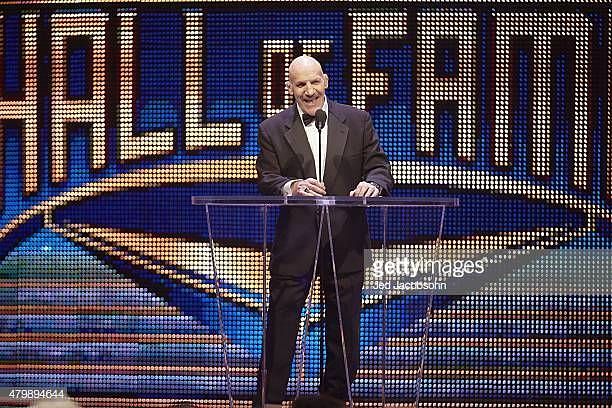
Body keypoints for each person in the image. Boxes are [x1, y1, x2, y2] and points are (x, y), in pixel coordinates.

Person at [255, 55, 393, 407]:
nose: (309, 90)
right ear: (290, 88)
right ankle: (269, 400)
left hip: (345, 240)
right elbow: (267, 178)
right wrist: (293, 186)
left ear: (326, 81)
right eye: (300, 84)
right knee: (282, 323)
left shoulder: (358, 121)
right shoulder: (272, 128)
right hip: (296, 243)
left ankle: (335, 398)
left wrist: (372, 186)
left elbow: (379, 168)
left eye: (314, 82)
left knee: (344, 325)